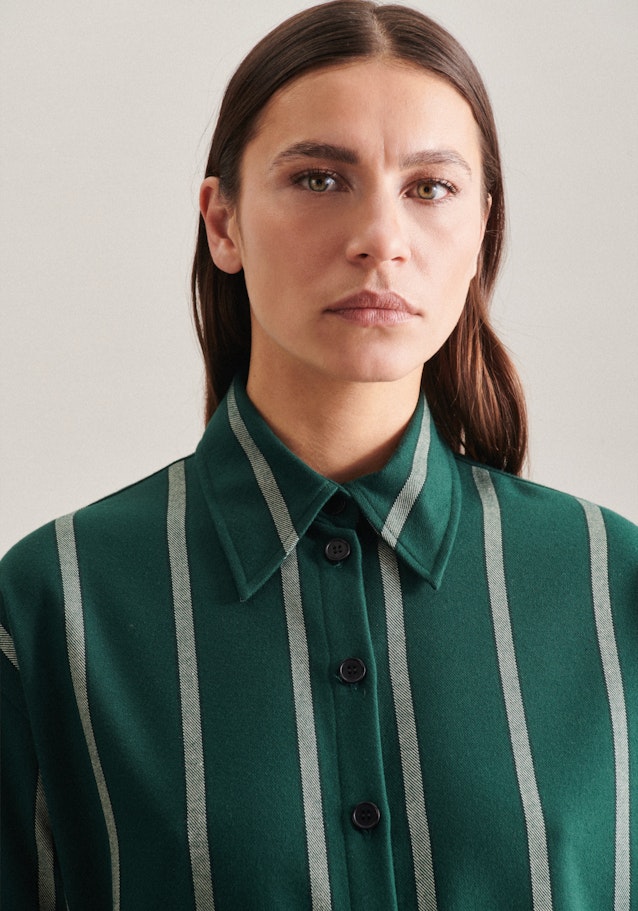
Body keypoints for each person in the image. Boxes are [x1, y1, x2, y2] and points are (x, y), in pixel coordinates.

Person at [1, 1, 636, 908]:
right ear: (223, 223)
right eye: (319, 178)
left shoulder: (615, 588)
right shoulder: (51, 607)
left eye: (430, 188)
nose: (380, 238)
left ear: (482, 233)